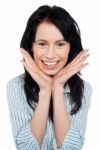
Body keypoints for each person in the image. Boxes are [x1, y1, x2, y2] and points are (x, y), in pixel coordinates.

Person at [7, 5, 92, 150]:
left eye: (60, 44)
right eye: (42, 44)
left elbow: (71, 148)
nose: (50, 55)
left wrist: (57, 87)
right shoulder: (16, 86)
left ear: (70, 47)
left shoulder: (84, 88)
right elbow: (27, 148)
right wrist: (46, 90)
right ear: (31, 46)